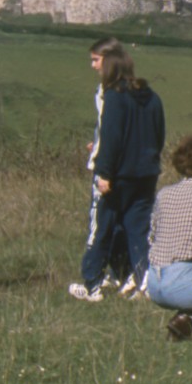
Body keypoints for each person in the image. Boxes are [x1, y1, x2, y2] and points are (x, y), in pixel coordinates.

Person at [71, 39, 164, 301]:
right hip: (146, 174)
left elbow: (112, 137)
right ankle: (144, 280)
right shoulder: (151, 97)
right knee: (139, 229)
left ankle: (92, 284)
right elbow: (158, 135)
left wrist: (104, 172)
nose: (95, 68)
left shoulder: (114, 96)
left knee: (102, 227)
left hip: (119, 175)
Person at [142, 133, 192, 340]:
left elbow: (152, 237)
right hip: (185, 279)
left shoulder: (164, 194)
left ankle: (187, 321)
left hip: (154, 280)